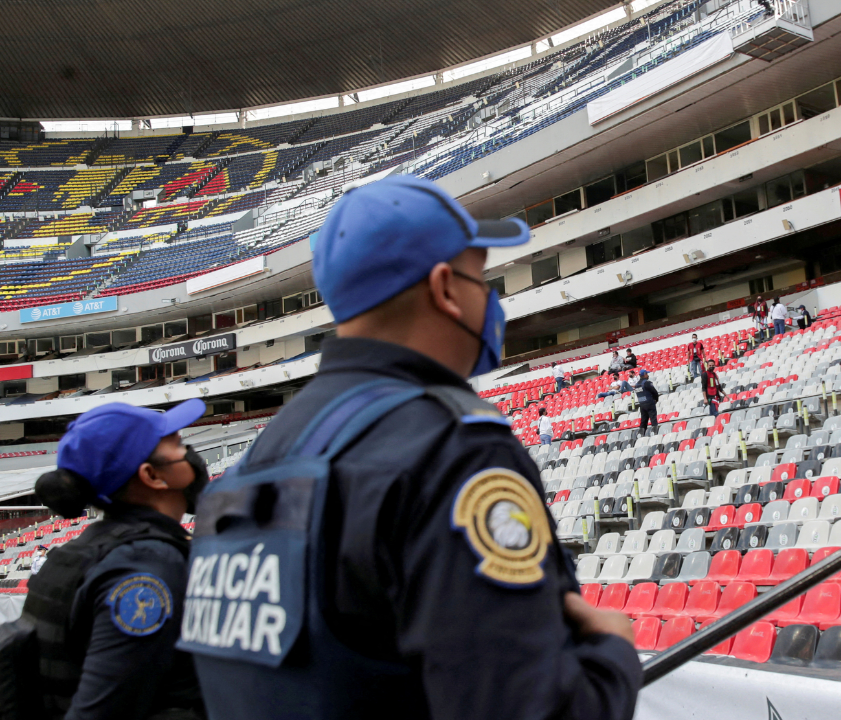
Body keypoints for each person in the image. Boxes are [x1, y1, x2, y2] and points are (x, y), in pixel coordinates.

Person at [178, 176, 640, 720]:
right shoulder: (453, 450)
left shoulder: (258, 461)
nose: (490, 299)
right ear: (445, 288)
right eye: (481, 278)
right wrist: (613, 657)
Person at [24, 400, 209, 720]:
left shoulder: (86, 550)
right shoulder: (146, 563)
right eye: (180, 446)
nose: (191, 455)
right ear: (152, 475)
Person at [636, 369, 659, 435]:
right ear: (645, 374)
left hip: (642, 404)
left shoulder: (637, 384)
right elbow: (654, 392)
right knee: (653, 419)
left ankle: (641, 434)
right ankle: (654, 433)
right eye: (647, 374)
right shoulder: (647, 383)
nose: (648, 375)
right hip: (649, 403)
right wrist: (656, 399)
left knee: (643, 420)